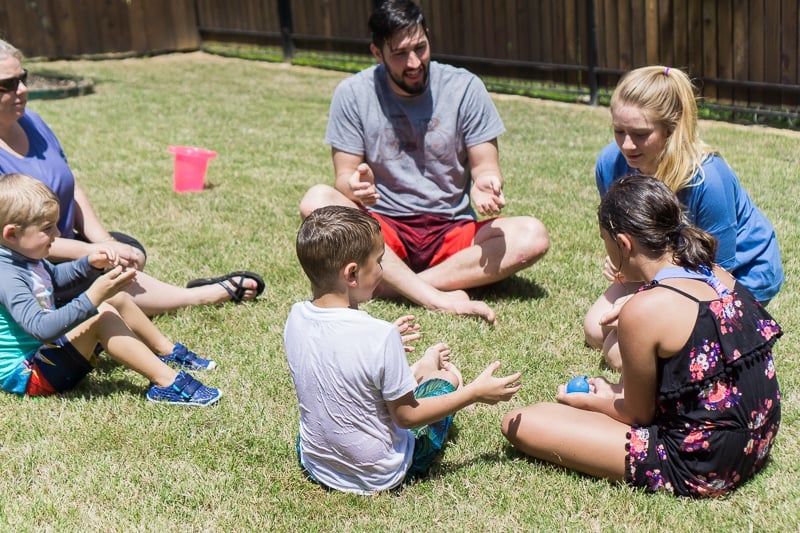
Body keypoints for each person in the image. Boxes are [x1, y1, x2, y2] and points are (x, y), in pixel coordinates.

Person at [502, 176, 782, 498]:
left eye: (606, 241)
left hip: (703, 463)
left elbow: (638, 415)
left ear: (623, 244)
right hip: (757, 440)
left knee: (522, 422)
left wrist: (591, 402)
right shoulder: (717, 274)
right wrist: (614, 390)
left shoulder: (643, 309)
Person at [298, 0, 550, 325]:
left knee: (532, 235)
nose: (414, 62)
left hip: (452, 229)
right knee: (316, 199)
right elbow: (343, 177)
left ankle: (397, 286)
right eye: (400, 54)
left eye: (420, 47)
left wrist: (486, 183)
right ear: (377, 53)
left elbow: (486, 165)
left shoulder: (465, 87)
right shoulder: (353, 93)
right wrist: (354, 187)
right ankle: (435, 293)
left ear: (428, 36)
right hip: (381, 232)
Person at [0, 38, 264, 316]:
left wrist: (106, 242)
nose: (23, 90)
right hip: (29, 264)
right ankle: (198, 296)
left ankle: (137, 287)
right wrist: (91, 253)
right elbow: (18, 239)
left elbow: (71, 185)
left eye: (23, 78)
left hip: (63, 242)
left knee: (129, 249)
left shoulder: (33, 122)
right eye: (8, 84)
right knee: (103, 267)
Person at [285, 205, 522, 494]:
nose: (383, 270)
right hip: (379, 473)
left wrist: (385, 344)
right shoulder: (378, 336)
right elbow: (407, 418)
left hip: (315, 461)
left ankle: (415, 370)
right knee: (445, 382)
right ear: (352, 274)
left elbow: (333, 364)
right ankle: (430, 376)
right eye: (379, 261)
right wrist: (472, 393)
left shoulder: (296, 316)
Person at [584, 65, 783, 369]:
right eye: (618, 131)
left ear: (671, 129)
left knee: (619, 353)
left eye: (640, 134)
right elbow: (619, 235)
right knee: (596, 329)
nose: (626, 145)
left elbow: (719, 274)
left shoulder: (708, 180)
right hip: (663, 266)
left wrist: (647, 302)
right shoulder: (611, 164)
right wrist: (619, 261)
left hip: (737, 276)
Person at [0, 173, 222, 405]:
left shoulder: (26, 256)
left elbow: (54, 278)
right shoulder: (6, 276)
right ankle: (167, 383)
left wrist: (89, 264)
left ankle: (167, 352)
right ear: (12, 234)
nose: (56, 234)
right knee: (102, 317)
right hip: (29, 374)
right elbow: (40, 329)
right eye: (47, 228)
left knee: (114, 298)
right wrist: (93, 296)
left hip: (45, 354)